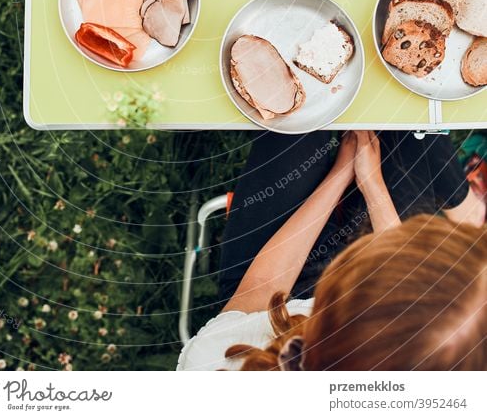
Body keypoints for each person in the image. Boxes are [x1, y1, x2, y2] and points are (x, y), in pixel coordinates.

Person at [177, 130, 485, 370]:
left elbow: (263, 286)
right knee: (405, 130)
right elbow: (407, 287)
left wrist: (341, 173)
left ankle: (466, 208)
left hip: (267, 303)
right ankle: (465, 207)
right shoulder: (436, 358)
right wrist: (370, 182)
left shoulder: (215, 366)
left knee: (301, 114)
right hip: (385, 288)